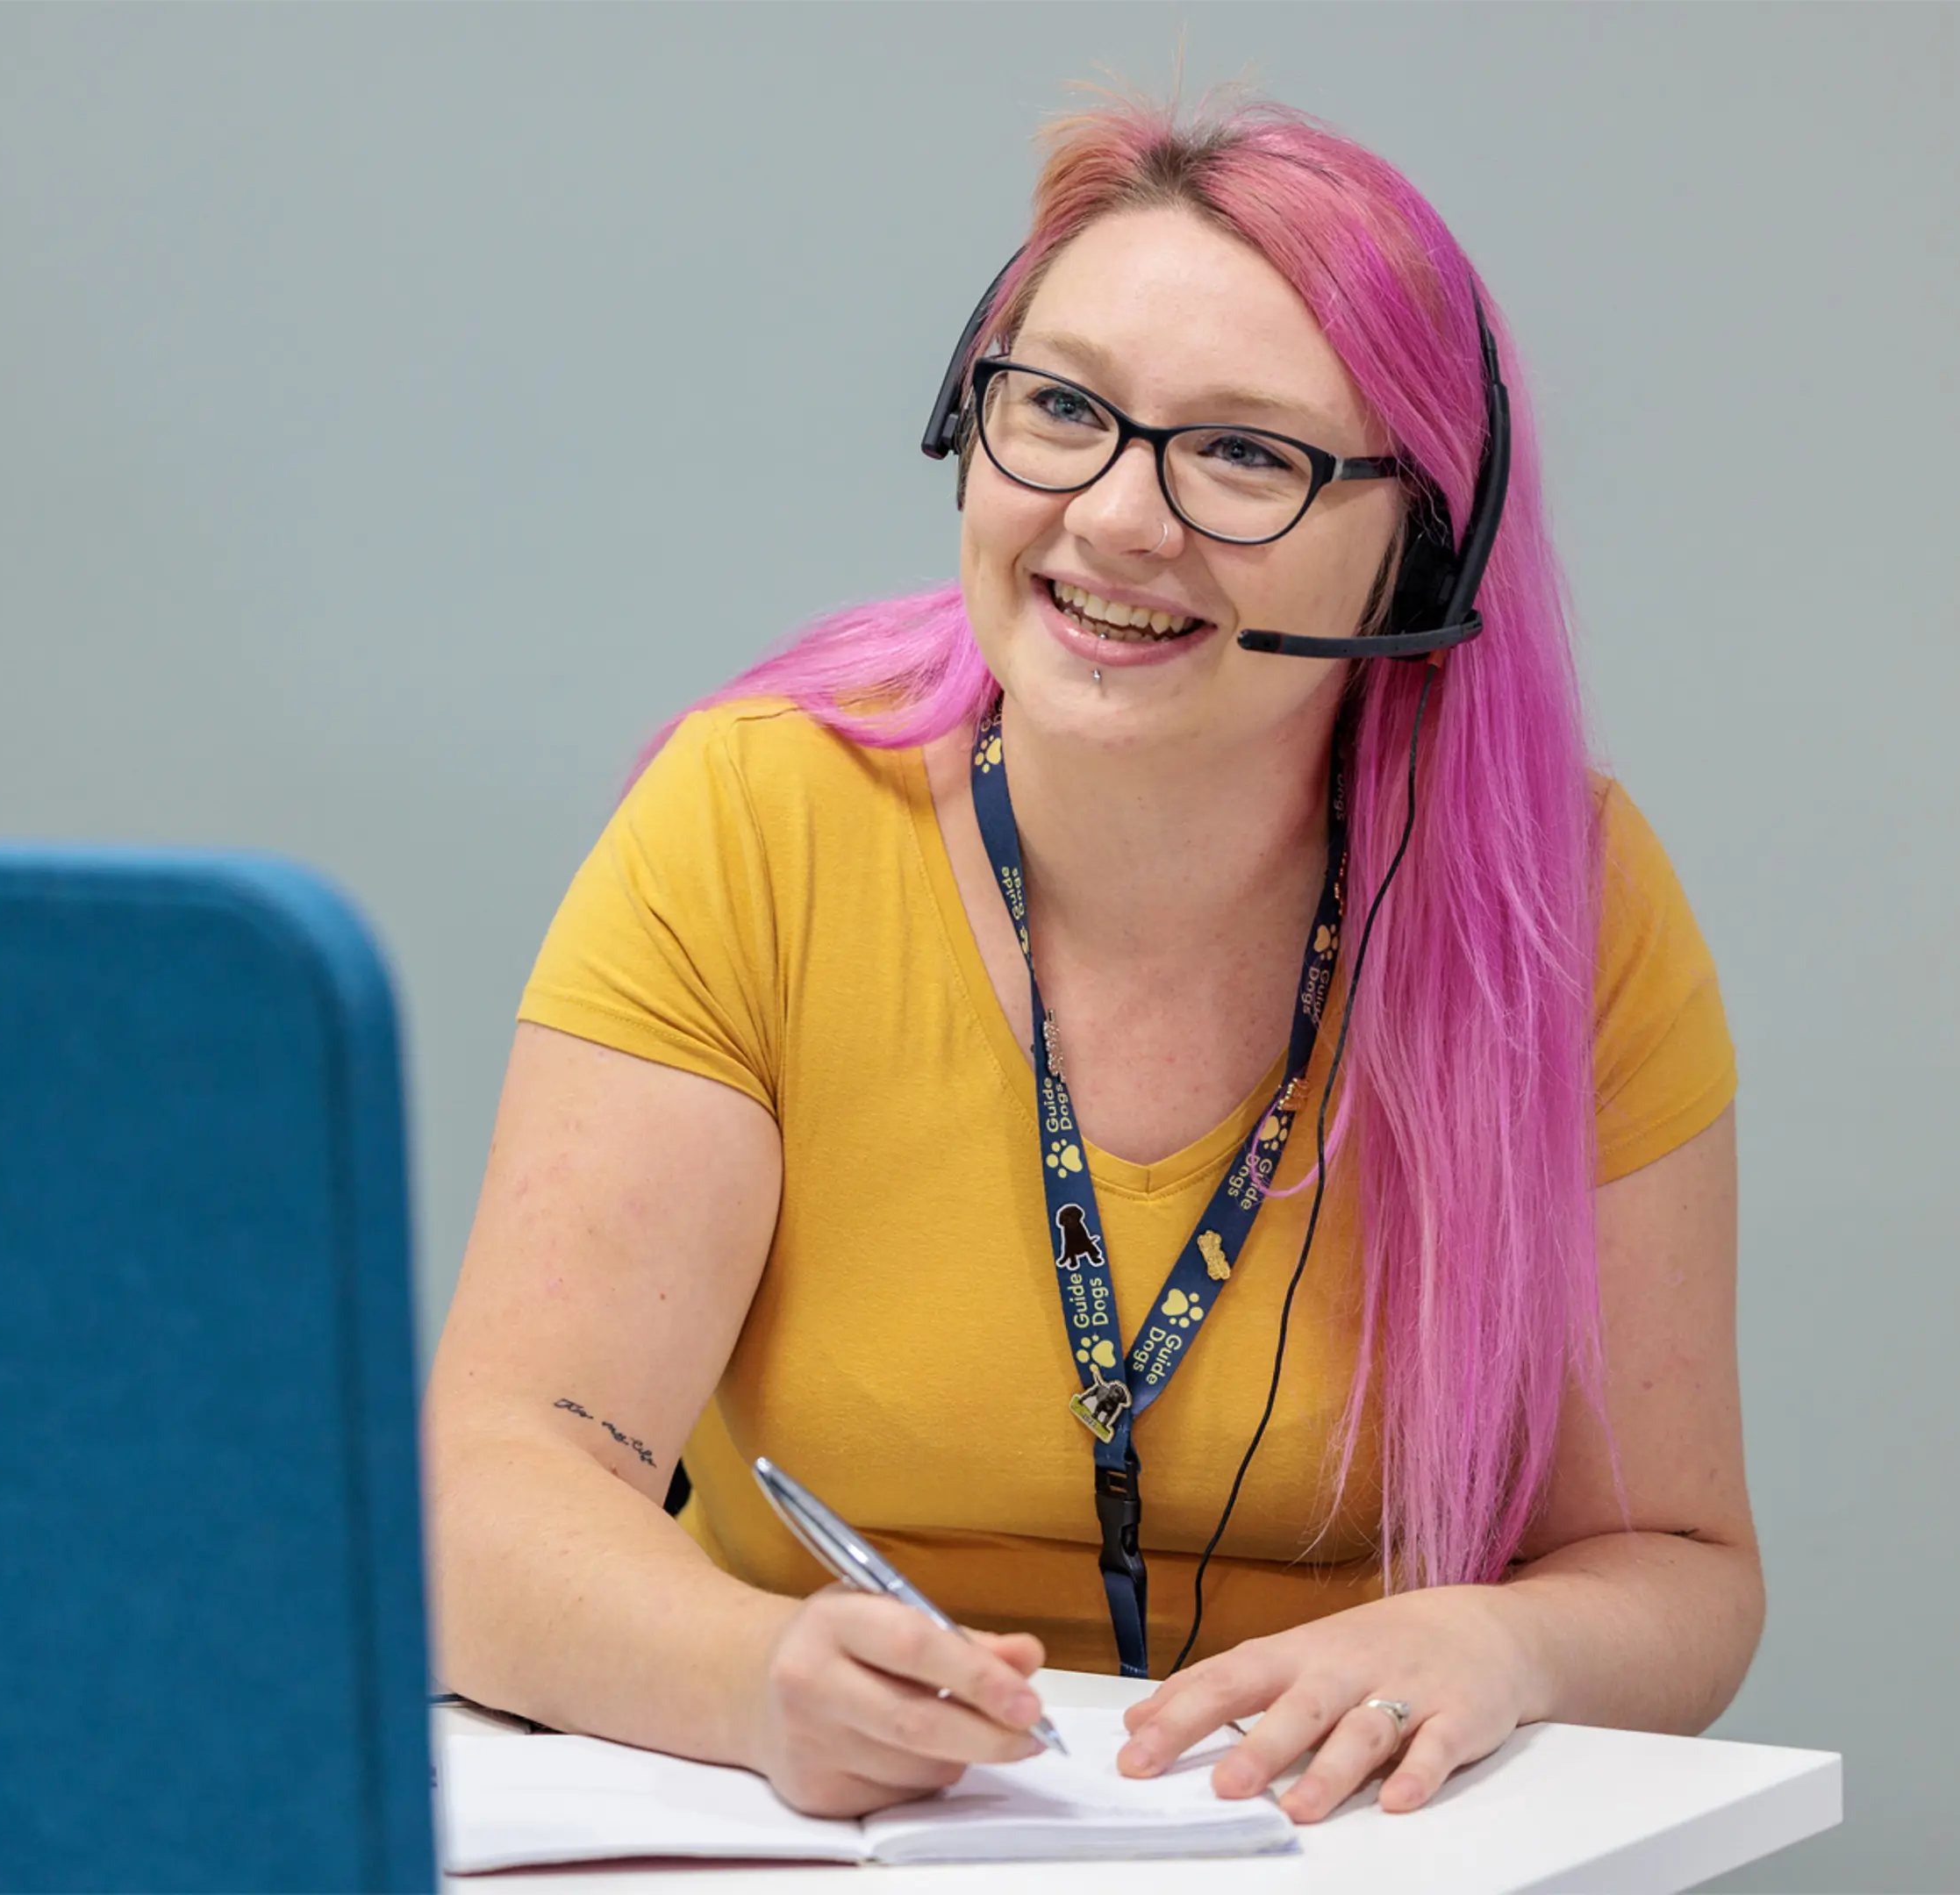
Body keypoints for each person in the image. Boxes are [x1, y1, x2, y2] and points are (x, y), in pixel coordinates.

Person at [423, 92, 1761, 1826]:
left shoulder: (1552, 903)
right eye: (1059, 408)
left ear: (1416, 546)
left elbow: (1678, 1566)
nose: (1117, 520)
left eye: (1243, 454)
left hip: (1330, 1853)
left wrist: (1504, 1651)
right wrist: (750, 1685)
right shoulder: (753, 824)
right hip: (838, 1837)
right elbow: (485, 1492)